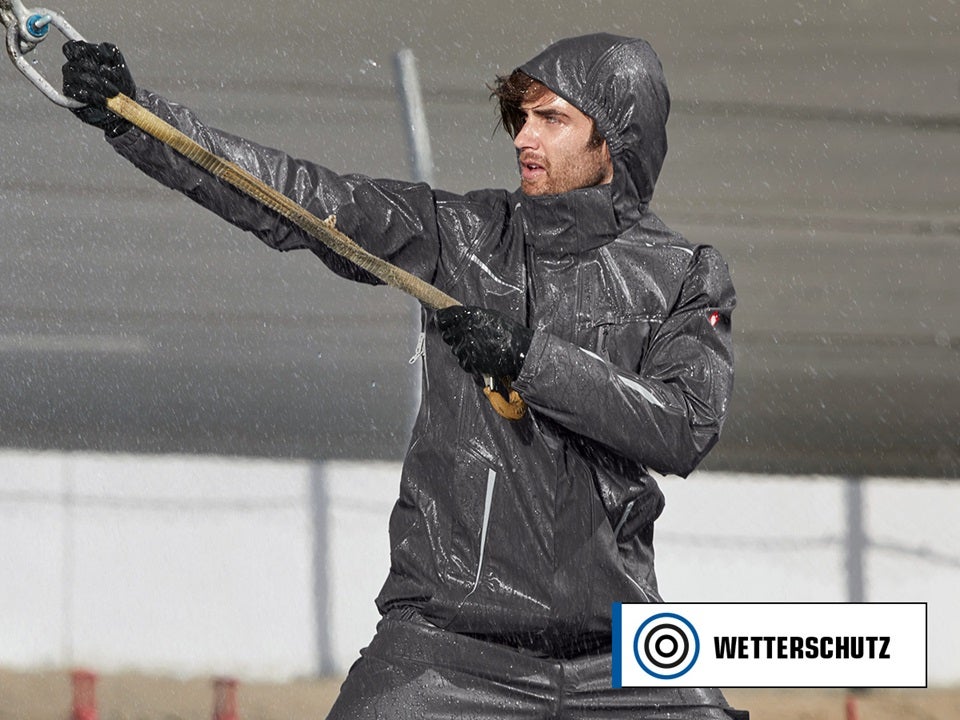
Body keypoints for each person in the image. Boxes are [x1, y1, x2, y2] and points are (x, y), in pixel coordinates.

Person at [62, 32, 745, 719]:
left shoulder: (685, 274)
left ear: (616, 140)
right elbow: (299, 200)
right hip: (446, 648)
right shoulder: (461, 234)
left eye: (553, 119)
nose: (523, 137)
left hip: (623, 655)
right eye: (521, 117)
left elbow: (683, 428)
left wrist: (526, 360)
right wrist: (134, 117)